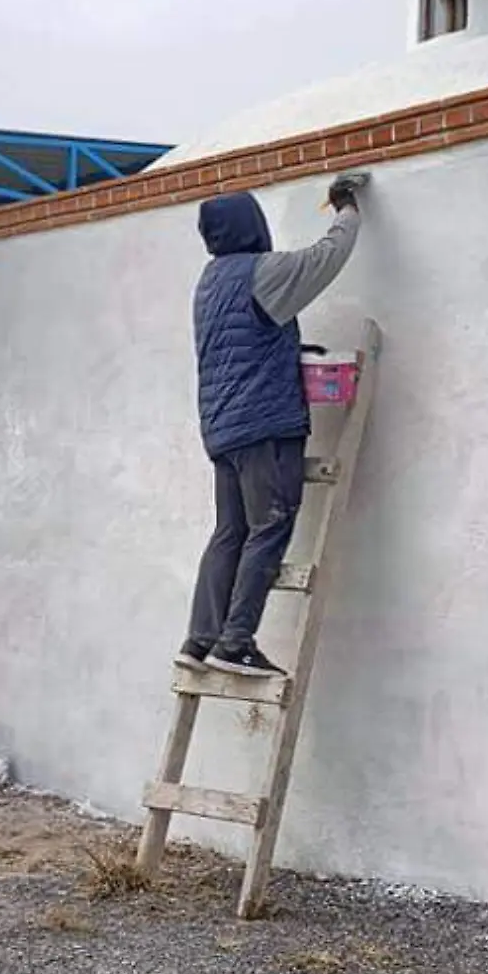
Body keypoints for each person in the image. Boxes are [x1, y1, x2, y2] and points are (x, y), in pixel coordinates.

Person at [177, 176, 366, 679]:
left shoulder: (210, 281)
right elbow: (325, 259)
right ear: (252, 226)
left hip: (222, 428)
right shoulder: (266, 272)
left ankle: (199, 640)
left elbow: (248, 342)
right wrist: (347, 210)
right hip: (265, 425)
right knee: (271, 523)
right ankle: (235, 642)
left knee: (230, 532)